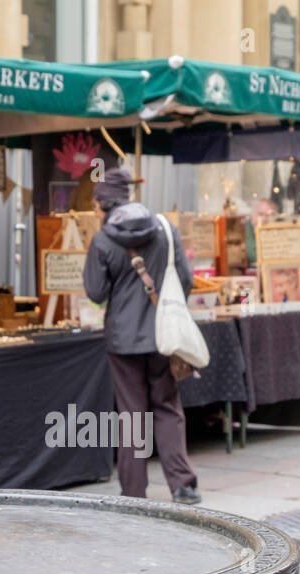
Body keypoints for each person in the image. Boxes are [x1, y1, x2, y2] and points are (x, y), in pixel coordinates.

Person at [83, 166, 200, 504]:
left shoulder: (104, 239)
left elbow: (95, 291)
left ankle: (133, 492)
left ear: (103, 203)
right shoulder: (164, 228)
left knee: (131, 415)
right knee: (167, 406)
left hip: (122, 339)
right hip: (164, 336)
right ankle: (182, 485)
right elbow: (186, 278)